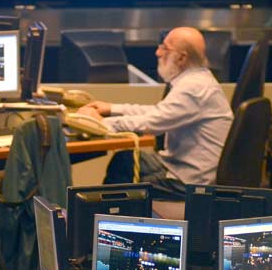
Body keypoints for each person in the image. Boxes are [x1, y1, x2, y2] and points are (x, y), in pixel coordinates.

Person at [77, 27, 234, 196]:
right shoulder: (197, 81)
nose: (158, 52)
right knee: (125, 160)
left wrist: (100, 123)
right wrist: (112, 109)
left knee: (124, 168)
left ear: (181, 58)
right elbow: (158, 112)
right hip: (181, 167)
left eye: (165, 48)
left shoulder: (194, 88)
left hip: (190, 183)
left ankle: (109, 211)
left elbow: (151, 123)